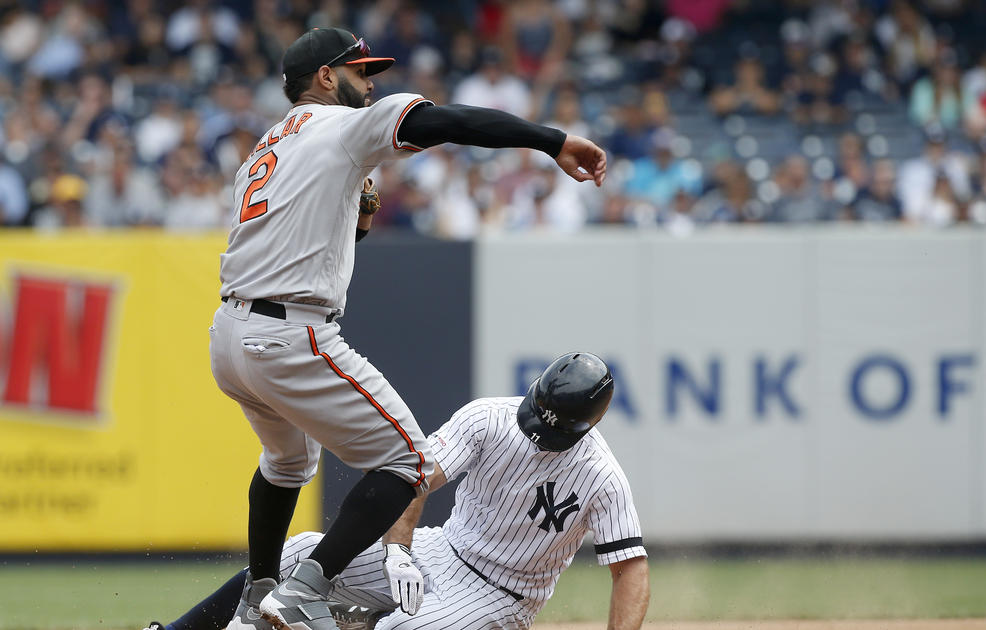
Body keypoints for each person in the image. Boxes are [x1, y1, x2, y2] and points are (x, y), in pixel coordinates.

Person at [202, 27, 607, 630]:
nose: (370, 84)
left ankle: (254, 595)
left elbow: (328, 232)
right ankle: (303, 589)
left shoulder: (264, 150)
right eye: (360, 72)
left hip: (230, 336)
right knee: (409, 464)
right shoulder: (338, 126)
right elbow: (448, 122)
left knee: (286, 464)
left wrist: (358, 212)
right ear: (325, 78)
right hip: (290, 333)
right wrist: (550, 140)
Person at [145, 353, 649, 630]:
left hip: (501, 595)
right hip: (439, 549)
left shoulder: (601, 475)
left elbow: (631, 570)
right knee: (297, 554)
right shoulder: (490, 417)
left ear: (588, 425)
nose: (538, 429)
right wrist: (399, 549)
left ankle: (362, 622)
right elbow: (415, 476)